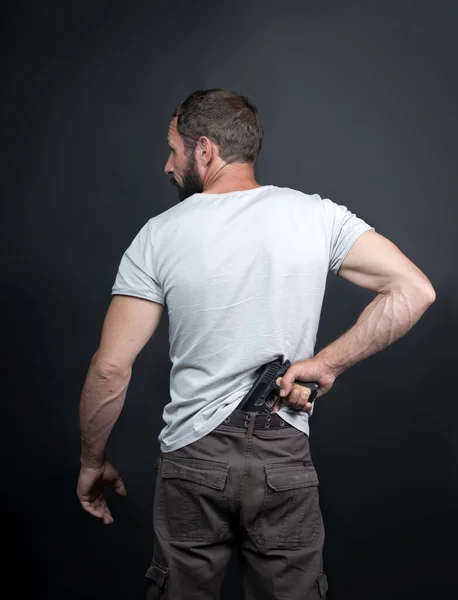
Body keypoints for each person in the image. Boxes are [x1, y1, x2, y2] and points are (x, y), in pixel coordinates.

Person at [77, 89, 435, 599]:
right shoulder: (317, 216)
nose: (167, 165)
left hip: (192, 460)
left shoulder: (157, 235)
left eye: (173, 149)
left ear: (205, 150)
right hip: (281, 451)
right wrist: (326, 364)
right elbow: (414, 289)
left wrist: (92, 462)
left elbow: (110, 369)